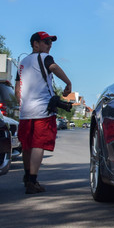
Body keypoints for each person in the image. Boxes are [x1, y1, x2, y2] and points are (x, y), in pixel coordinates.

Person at [15, 31, 72, 194]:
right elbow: (53, 67)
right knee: (38, 144)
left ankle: (27, 177)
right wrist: (68, 82)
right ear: (35, 44)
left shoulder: (22, 62)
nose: (49, 45)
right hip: (43, 110)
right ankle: (33, 181)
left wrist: (23, 104)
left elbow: (17, 90)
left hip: (25, 112)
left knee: (26, 145)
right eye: (46, 42)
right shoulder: (44, 58)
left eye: (50, 42)